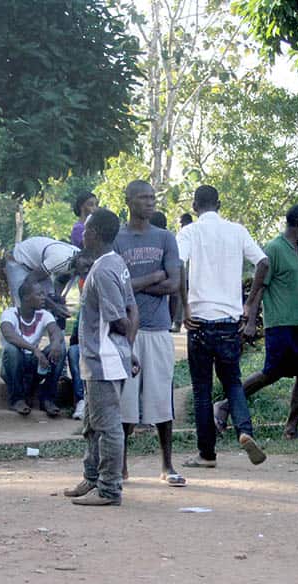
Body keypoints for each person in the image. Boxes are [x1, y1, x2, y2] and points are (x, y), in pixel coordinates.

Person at [177, 184, 269, 468]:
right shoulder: (237, 231)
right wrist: (249, 303)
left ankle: (207, 454)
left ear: (195, 207)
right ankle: (245, 431)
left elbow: (178, 264)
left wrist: (185, 305)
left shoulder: (190, 232)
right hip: (230, 322)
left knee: (202, 389)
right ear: (219, 204)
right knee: (233, 383)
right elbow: (263, 262)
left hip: (199, 321)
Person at [214, 205, 298, 440]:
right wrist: (250, 320)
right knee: (271, 373)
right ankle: (224, 405)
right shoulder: (273, 249)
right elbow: (259, 287)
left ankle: (292, 429)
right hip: (281, 324)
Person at [64, 208, 139, 506]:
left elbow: (120, 318)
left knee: (106, 425)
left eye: (86, 228)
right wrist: (129, 350)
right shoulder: (116, 264)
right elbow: (134, 310)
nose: (83, 232)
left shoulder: (104, 270)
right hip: (103, 358)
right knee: (92, 424)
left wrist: (125, 347)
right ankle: (92, 477)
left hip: (104, 360)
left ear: (93, 233)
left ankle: (109, 489)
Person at [113, 181, 185, 486]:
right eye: (143, 198)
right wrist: (153, 277)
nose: (150, 202)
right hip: (126, 331)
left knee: (161, 399)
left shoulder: (165, 238)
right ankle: (122, 466)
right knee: (125, 402)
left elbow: (174, 284)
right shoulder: (117, 240)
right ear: (128, 201)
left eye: (152, 198)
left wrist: (138, 284)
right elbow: (114, 286)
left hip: (157, 329)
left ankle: (167, 465)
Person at [0, 280, 66, 417]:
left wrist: (55, 343)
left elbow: (55, 331)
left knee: (61, 348)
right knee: (12, 350)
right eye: (39, 294)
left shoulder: (44, 314)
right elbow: (9, 334)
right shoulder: (10, 313)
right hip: (13, 366)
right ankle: (17, 399)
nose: (43, 298)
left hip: (34, 364)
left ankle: (47, 399)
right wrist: (34, 349)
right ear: (25, 297)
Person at [6, 235, 90, 327]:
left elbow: (60, 281)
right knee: (25, 304)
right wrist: (54, 306)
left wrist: (57, 299)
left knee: (51, 301)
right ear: (80, 257)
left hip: (38, 267)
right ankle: (17, 338)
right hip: (19, 261)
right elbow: (29, 282)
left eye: (89, 267)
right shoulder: (61, 259)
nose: (86, 270)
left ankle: (58, 340)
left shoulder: (77, 261)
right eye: (86, 265)